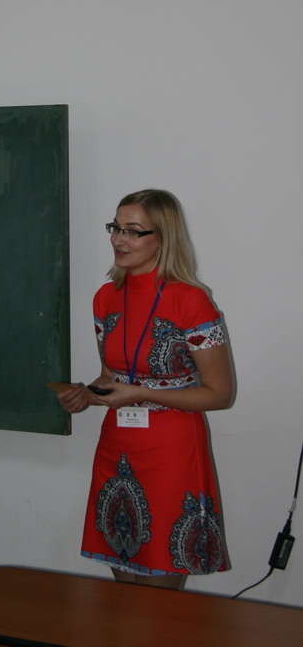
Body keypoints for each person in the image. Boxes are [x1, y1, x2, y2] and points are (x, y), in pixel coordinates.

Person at [58, 188, 232, 590]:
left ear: (163, 238)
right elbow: (110, 377)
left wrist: (142, 394)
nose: (119, 240)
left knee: (159, 602)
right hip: (117, 448)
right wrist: (86, 393)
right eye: (115, 228)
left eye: (133, 231)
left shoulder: (191, 301)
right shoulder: (105, 298)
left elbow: (220, 394)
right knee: (123, 592)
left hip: (172, 453)